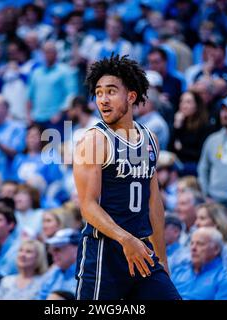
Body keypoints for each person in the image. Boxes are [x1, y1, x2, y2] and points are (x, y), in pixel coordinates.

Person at [73, 55, 181, 300]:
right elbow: (88, 207)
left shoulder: (150, 138)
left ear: (131, 96)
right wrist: (125, 239)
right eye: (99, 93)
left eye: (111, 91)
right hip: (104, 252)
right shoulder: (94, 140)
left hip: (142, 249)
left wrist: (161, 258)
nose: (103, 99)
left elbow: (153, 201)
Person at [170, 227, 227, 300]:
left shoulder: (226, 278)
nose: (193, 248)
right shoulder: (179, 271)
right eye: (192, 243)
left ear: (216, 249)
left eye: (200, 244)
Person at [36, 228, 80, 300]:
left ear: (76, 248)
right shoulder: (53, 273)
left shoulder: (87, 275)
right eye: (52, 249)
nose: (52, 253)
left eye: (58, 249)